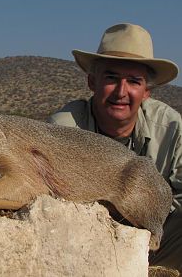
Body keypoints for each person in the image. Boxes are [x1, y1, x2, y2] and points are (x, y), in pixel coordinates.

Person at [48, 23, 182, 271]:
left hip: (151, 242)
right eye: (111, 78)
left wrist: (144, 217)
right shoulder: (64, 129)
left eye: (133, 81)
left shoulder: (171, 127)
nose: (121, 92)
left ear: (146, 92)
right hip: (84, 245)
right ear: (92, 82)